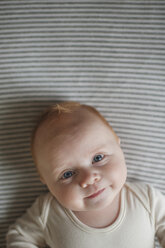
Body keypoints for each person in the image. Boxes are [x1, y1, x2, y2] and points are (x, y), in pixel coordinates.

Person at [6, 101, 165, 248]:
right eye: (67, 173)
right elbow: (19, 236)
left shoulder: (146, 199)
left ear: (117, 145)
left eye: (98, 158)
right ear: (45, 180)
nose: (88, 179)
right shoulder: (47, 212)